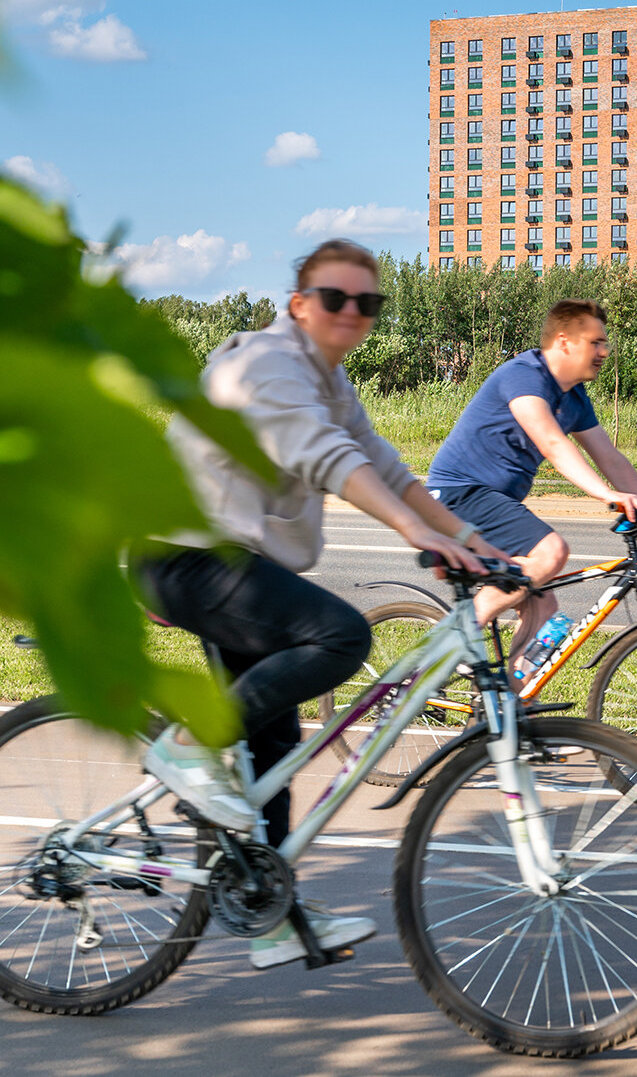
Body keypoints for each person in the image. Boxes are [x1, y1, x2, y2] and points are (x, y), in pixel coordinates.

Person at [135, 239, 510, 969]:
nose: (352, 313)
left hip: (235, 564)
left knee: (273, 744)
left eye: (367, 303)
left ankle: (266, 911)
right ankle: (185, 745)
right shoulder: (268, 364)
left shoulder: (330, 382)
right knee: (340, 636)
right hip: (183, 555)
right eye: (335, 298)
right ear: (300, 305)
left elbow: (386, 466)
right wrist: (414, 533)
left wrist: (472, 539)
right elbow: (329, 459)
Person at [427, 298, 637, 687]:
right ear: (565, 342)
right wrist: (607, 496)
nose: (604, 352)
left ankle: (507, 709)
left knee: (545, 608)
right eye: (595, 342)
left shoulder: (576, 398)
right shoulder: (525, 376)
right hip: (459, 494)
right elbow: (551, 442)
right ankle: (455, 637)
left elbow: (609, 457)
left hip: (495, 501)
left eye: (605, 343)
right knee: (551, 552)